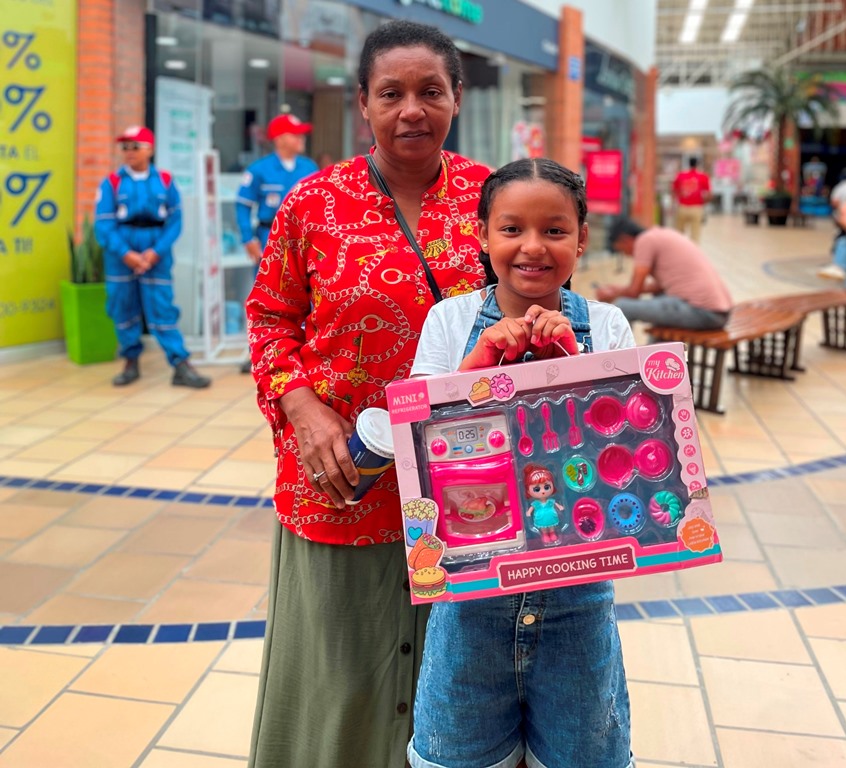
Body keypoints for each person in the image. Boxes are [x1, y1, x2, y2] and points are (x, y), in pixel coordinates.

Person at [245, 20, 491, 768]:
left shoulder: (495, 197)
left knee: (457, 684)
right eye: (391, 93)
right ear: (363, 103)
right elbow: (268, 318)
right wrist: (302, 407)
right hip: (346, 480)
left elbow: (545, 302)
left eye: (430, 91)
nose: (411, 109)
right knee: (341, 675)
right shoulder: (313, 203)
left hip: (470, 487)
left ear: (457, 97)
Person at [409, 157, 634, 768]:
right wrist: (476, 367)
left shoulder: (606, 326)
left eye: (555, 230)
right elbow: (420, 456)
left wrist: (571, 363)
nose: (533, 247)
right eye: (511, 229)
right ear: (482, 235)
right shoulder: (450, 321)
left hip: (578, 599)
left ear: (581, 239)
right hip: (469, 601)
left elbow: (624, 465)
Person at [94, 125, 211, 388]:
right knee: (122, 307)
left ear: (149, 149)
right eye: (125, 147)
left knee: (162, 308)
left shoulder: (165, 181)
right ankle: (130, 361)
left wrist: (156, 252)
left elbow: (175, 221)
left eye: (135, 146)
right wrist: (126, 254)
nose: (129, 152)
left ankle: (180, 364)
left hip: (156, 252)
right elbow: (103, 224)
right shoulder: (112, 183)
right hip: (121, 253)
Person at [236, 113, 319, 372]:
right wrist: (247, 239)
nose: (302, 138)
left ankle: (304, 348)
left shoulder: (309, 167)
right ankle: (257, 350)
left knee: (309, 294)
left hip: (304, 239)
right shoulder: (259, 170)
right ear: (281, 138)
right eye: (296, 134)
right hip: (269, 236)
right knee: (267, 296)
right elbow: (242, 206)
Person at [597, 218, 733, 330]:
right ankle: (656, 352)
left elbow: (634, 292)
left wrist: (612, 295)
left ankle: (623, 355)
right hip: (721, 312)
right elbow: (659, 287)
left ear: (625, 240)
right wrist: (618, 290)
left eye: (622, 250)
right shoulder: (660, 234)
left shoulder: (644, 241)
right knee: (659, 297)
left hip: (704, 312)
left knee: (623, 306)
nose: (626, 255)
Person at [672, 157, 710, 243]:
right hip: (696, 207)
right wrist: (703, 203)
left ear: (688, 164)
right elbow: (708, 194)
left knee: (679, 233)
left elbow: (674, 191)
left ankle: (678, 249)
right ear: (698, 165)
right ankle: (693, 249)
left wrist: (674, 205)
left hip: (682, 207)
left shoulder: (680, 175)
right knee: (695, 234)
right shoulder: (703, 176)